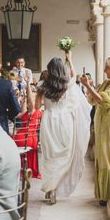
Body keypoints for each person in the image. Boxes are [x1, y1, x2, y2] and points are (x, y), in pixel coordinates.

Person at [37, 52, 91, 204]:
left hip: (48, 120)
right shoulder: (68, 84)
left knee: (49, 156)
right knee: (64, 157)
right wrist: (70, 59)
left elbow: (35, 107)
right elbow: (74, 74)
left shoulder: (42, 86)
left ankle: (50, 189)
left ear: (49, 70)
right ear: (62, 70)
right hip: (65, 121)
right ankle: (53, 189)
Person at [80, 56, 110, 206]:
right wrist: (90, 89)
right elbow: (92, 100)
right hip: (101, 124)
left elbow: (104, 102)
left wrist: (88, 86)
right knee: (101, 157)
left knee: (108, 158)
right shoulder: (107, 83)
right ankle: (102, 193)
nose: (105, 71)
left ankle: (107, 195)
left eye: (107, 68)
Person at [13, 83, 42, 178]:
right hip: (29, 138)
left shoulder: (36, 111)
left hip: (26, 139)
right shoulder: (28, 112)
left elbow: (31, 102)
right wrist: (24, 97)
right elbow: (21, 113)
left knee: (6, 139)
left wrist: (28, 84)